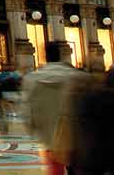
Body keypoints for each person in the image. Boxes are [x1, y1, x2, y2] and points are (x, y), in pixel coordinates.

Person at [22, 41, 88, 175]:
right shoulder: (79, 77)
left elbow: (27, 109)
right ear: (61, 55)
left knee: (55, 169)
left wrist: (32, 128)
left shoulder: (31, 79)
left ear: (45, 55)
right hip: (75, 133)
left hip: (49, 134)